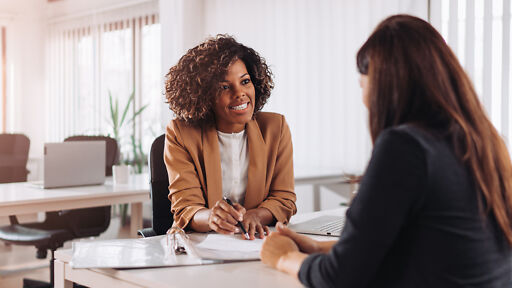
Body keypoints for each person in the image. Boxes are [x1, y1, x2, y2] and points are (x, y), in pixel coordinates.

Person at [260, 14, 512, 287]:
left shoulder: (406, 147)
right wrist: (320, 249)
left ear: (383, 84)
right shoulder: (483, 140)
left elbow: (341, 278)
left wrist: (285, 258)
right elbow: (431, 247)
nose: (363, 96)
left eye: (363, 82)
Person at [164, 35, 296, 240]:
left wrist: (256, 216)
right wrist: (211, 217)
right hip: (199, 246)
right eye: (225, 87)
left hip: (255, 243)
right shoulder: (180, 133)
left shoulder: (275, 128)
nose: (240, 93)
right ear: (204, 95)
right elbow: (186, 207)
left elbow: (284, 199)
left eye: (245, 81)